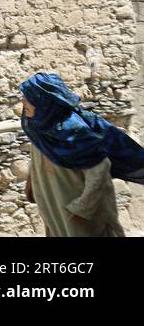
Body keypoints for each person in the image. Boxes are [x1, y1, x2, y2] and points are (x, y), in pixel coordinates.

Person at [20, 72, 144, 237]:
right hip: (54, 200)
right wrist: (31, 182)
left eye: (28, 98)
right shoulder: (37, 126)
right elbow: (38, 153)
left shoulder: (73, 130)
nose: (23, 102)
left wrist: (82, 208)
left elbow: (100, 167)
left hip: (78, 209)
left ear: (45, 102)